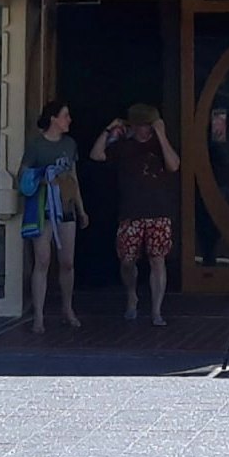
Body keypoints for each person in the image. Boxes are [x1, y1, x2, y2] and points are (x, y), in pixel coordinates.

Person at [91, 102, 180, 326]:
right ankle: (132, 294)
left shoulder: (160, 143)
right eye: (143, 125)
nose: (146, 130)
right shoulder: (123, 145)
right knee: (127, 260)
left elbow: (174, 165)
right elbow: (96, 155)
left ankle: (156, 310)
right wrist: (108, 130)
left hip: (158, 210)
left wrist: (161, 134)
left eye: (149, 125)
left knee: (157, 260)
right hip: (131, 211)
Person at [18, 99, 87, 333]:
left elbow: (74, 178)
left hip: (66, 209)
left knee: (67, 262)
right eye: (65, 115)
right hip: (43, 209)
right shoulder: (36, 146)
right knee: (43, 261)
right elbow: (23, 176)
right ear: (53, 119)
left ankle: (67, 308)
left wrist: (81, 209)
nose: (69, 120)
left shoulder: (70, 144)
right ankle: (38, 316)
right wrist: (42, 176)